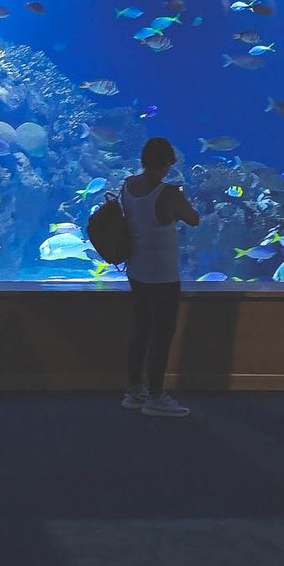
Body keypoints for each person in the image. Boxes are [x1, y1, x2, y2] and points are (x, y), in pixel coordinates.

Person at [119, 137, 199, 417]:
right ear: (165, 163)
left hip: (137, 269)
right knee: (162, 334)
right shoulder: (168, 193)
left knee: (140, 330)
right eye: (168, 164)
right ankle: (155, 396)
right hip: (163, 274)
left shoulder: (127, 185)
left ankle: (134, 391)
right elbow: (193, 218)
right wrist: (181, 197)